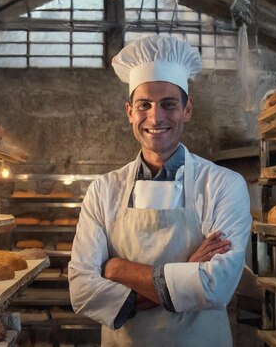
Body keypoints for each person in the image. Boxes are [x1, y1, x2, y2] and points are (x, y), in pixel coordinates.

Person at [68, 35, 252, 346]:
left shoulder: (224, 184)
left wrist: (118, 268)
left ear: (187, 109)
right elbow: (82, 290)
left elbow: (215, 286)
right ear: (130, 112)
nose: (155, 117)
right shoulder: (103, 190)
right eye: (144, 105)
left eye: (168, 104)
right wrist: (186, 272)